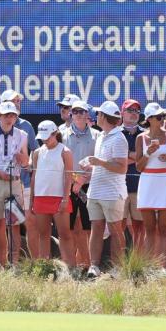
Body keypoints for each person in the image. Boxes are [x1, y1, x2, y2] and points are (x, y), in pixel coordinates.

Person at [0, 89, 37, 261]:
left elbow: (27, 162)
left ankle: (14, 263)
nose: (9, 118)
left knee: (14, 224)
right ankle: (1, 264)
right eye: (6, 115)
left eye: (12, 115)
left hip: (16, 182)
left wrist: (23, 159)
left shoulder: (24, 133)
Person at [81, 101, 130, 276]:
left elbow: (122, 167)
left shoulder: (119, 138)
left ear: (104, 117)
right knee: (96, 228)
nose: (96, 116)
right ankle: (94, 266)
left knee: (116, 230)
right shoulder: (101, 136)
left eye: (99, 114)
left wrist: (99, 163)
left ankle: (119, 268)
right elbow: (104, 165)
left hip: (112, 193)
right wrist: (92, 167)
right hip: (95, 190)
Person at [136, 103, 166, 268]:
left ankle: (164, 266)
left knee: (163, 228)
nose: (162, 119)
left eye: (163, 116)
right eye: (158, 117)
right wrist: (148, 152)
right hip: (148, 182)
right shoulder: (140, 138)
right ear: (149, 119)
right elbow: (139, 167)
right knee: (149, 228)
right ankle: (149, 267)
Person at [30, 120, 75, 265]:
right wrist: (32, 199)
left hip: (59, 198)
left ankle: (70, 268)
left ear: (55, 134)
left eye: (48, 136)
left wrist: (65, 198)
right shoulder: (37, 152)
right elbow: (34, 176)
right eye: (42, 137)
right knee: (43, 234)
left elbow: (69, 176)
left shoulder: (65, 151)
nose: (45, 140)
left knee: (65, 234)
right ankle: (44, 267)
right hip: (40, 197)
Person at [60, 100, 98, 266]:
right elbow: (60, 162)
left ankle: (89, 264)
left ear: (87, 114)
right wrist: (74, 181)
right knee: (68, 227)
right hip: (67, 186)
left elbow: (98, 162)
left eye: (82, 112)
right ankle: (70, 265)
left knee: (88, 226)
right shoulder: (61, 135)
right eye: (75, 112)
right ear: (71, 114)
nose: (78, 115)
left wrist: (83, 180)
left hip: (89, 186)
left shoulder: (97, 135)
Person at [120, 99, 145, 252]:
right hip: (120, 187)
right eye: (130, 110)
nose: (134, 114)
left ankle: (139, 265)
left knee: (139, 227)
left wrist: (125, 157)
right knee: (119, 227)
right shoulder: (115, 133)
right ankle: (119, 265)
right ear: (122, 113)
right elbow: (114, 160)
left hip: (140, 187)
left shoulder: (145, 134)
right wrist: (134, 156)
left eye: (136, 111)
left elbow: (146, 159)